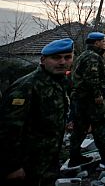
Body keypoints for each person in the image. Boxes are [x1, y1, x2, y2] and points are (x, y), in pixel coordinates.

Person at [0, 38, 73, 186]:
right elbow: (7, 130)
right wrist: (12, 167)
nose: (62, 62)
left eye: (67, 57)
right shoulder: (26, 87)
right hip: (27, 166)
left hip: (48, 162)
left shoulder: (58, 82)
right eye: (56, 58)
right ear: (43, 60)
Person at [70, 32, 105, 167]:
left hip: (80, 98)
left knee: (80, 128)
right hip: (89, 100)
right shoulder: (93, 57)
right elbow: (92, 77)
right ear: (96, 43)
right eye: (102, 41)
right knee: (99, 127)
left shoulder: (83, 55)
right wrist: (97, 95)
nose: (104, 44)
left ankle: (74, 157)